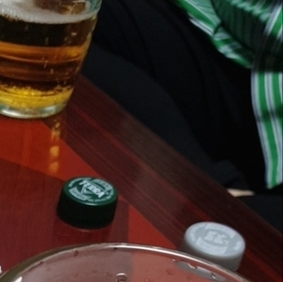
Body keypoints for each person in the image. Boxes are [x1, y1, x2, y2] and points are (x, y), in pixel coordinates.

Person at [82, 0, 282, 231]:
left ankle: (204, 194)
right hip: (233, 40)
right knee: (79, 19)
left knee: (248, 225)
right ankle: (201, 187)